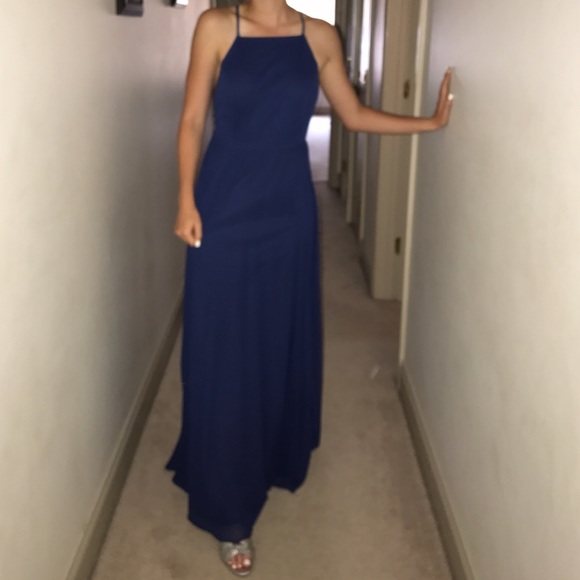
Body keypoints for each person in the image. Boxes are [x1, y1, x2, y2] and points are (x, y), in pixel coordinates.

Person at [168, 1, 453, 576]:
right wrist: (185, 199)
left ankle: (270, 452)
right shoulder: (217, 26)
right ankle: (229, 512)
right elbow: (193, 119)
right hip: (223, 203)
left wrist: (428, 123)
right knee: (224, 349)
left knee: (275, 337)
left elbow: (353, 115)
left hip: (288, 208)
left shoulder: (321, 35)